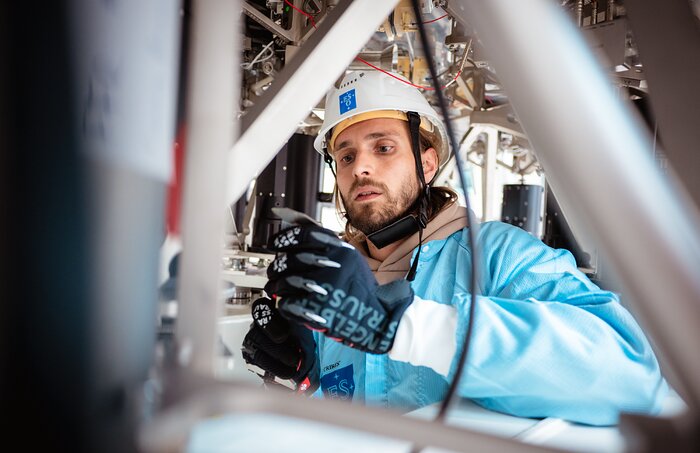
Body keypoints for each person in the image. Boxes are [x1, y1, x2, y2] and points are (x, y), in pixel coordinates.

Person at [242, 70, 667, 426]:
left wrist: (407, 326)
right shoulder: (339, 280)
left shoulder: (499, 255)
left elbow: (627, 378)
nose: (362, 167)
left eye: (383, 147)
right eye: (346, 156)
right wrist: (305, 370)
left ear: (427, 164)